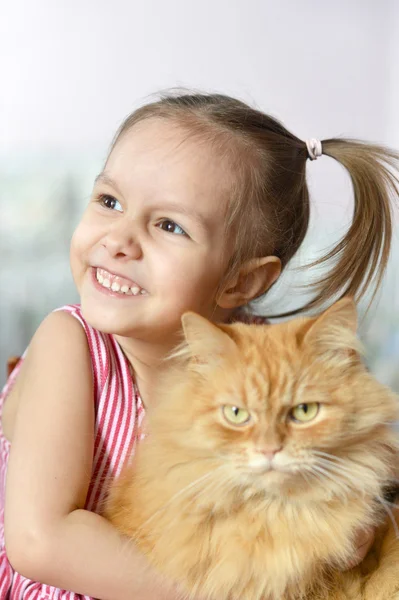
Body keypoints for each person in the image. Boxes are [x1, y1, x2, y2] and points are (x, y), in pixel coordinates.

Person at [0, 92, 396, 600]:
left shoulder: (264, 358)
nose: (119, 239)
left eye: (168, 225)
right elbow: (40, 542)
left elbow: (361, 433)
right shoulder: (71, 344)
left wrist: (358, 512)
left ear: (242, 283)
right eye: (109, 201)